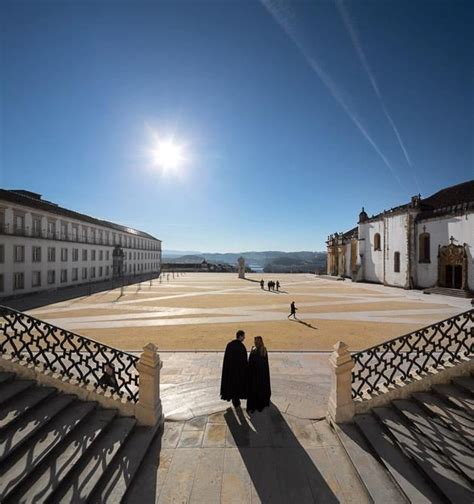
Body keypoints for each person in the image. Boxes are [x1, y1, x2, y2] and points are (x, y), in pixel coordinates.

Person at [220, 330, 248, 408]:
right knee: (237, 386)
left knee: (231, 385)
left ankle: (233, 398)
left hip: (230, 371)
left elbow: (226, 359)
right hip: (238, 372)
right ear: (240, 336)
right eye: (243, 336)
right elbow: (244, 361)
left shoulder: (229, 345)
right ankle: (236, 400)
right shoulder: (241, 347)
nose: (244, 338)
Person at [247, 336, 271, 413]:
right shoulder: (264, 350)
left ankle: (254, 406)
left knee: (254, 391)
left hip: (254, 377)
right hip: (262, 377)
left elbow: (250, 363)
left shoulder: (254, 351)